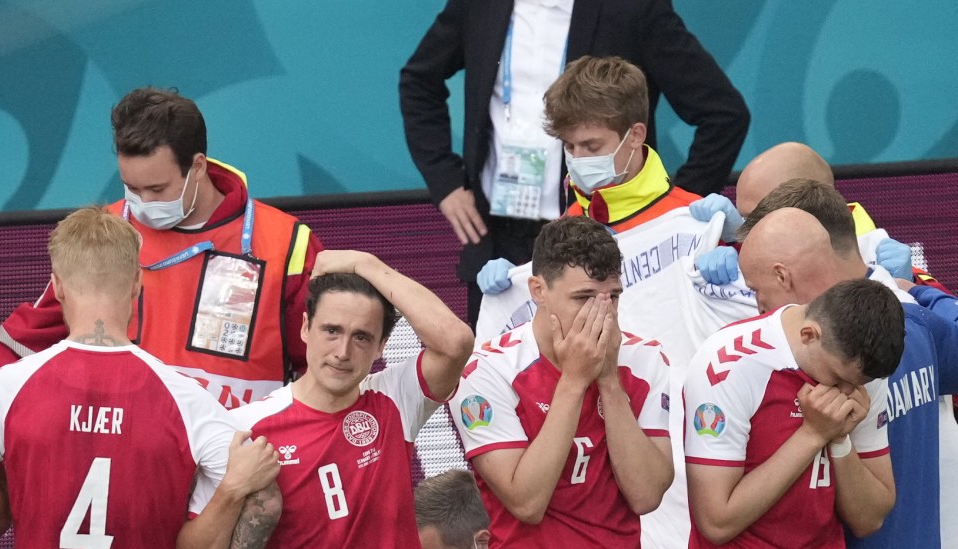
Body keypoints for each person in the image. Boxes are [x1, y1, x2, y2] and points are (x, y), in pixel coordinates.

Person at [0, 208, 282, 549]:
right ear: (137, 283)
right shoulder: (186, 399)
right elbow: (263, 499)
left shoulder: (10, 387)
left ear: (56, 286)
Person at [400, 0, 749, 325]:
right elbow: (419, 79)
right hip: (498, 237)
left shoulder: (632, 7)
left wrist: (673, 219)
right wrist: (445, 180)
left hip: (601, 243)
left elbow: (724, 115)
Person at [0, 87, 323, 408]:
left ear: (197, 167)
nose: (143, 203)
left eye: (157, 188)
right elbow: (23, 342)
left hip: (240, 447)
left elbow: (323, 366)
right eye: (131, 188)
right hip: (128, 447)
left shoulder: (286, 242)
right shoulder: (105, 231)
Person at [736, 183, 958, 549]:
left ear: (789, 265)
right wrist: (920, 287)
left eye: (759, 287)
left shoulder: (811, 366)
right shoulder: (919, 324)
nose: (758, 306)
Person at [214, 250, 473, 549]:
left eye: (362, 337)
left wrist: (364, 264)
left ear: (382, 345)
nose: (342, 352)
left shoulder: (393, 401)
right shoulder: (247, 427)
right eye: (331, 330)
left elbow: (455, 341)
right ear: (305, 327)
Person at [450, 215, 673, 549]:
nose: (602, 314)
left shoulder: (645, 362)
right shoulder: (487, 372)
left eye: (613, 297)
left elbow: (645, 495)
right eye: (584, 297)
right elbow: (527, 501)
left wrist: (607, 379)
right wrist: (574, 380)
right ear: (539, 292)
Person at [684, 272, 904, 549]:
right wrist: (813, 434)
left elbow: (870, 518)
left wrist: (839, 442)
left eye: (858, 385)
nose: (847, 393)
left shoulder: (862, 374)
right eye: (837, 379)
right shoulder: (729, 363)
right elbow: (716, 521)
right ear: (809, 335)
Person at [474, 55, 703, 296]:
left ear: (635, 135)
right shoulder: (564, 226)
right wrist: (518, 283)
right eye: (569, 147)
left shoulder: (688, 217)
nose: (578, 158)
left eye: (592, 147)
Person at [690, 142, 947, 291]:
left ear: (805, 205)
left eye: (756, 218)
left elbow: (949, 326)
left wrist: (910, 286)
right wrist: (729, 245)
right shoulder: (734, 260)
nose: (747, 230)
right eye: (744, 219)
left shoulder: (873, 251)